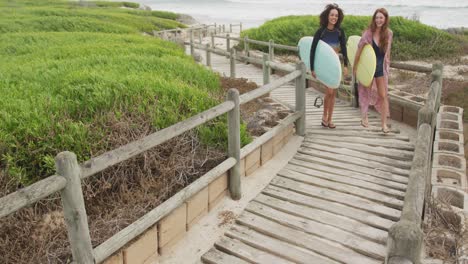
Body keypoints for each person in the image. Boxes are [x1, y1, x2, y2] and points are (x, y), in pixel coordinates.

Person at [353, 8, 393, 133]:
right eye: (376, 17)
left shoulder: (388, 33)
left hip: (380, 69)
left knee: (383, 95)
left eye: (381, 17)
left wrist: (388, 67)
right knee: (365, 93)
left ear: (385, 19)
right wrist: (355, 68)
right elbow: (359, 51)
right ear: (374, 19)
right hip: (368, 68)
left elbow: (388, 53)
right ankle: (364, 117)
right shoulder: (368, 33)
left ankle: (384, 124)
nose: (378, 20)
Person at [310, 3, 349, 129]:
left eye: (336, 15)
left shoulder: (339, 32)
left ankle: (329, 119)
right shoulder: (321, 31)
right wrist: (312, 68)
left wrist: (345, 66)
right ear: (327, 16)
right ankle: (324, 116)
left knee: (333, 93)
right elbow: (313, 50)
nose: (334, 17)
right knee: (330, 91)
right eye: (332, 15)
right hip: (324, 66)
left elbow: (343, 49)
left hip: (335, 65)